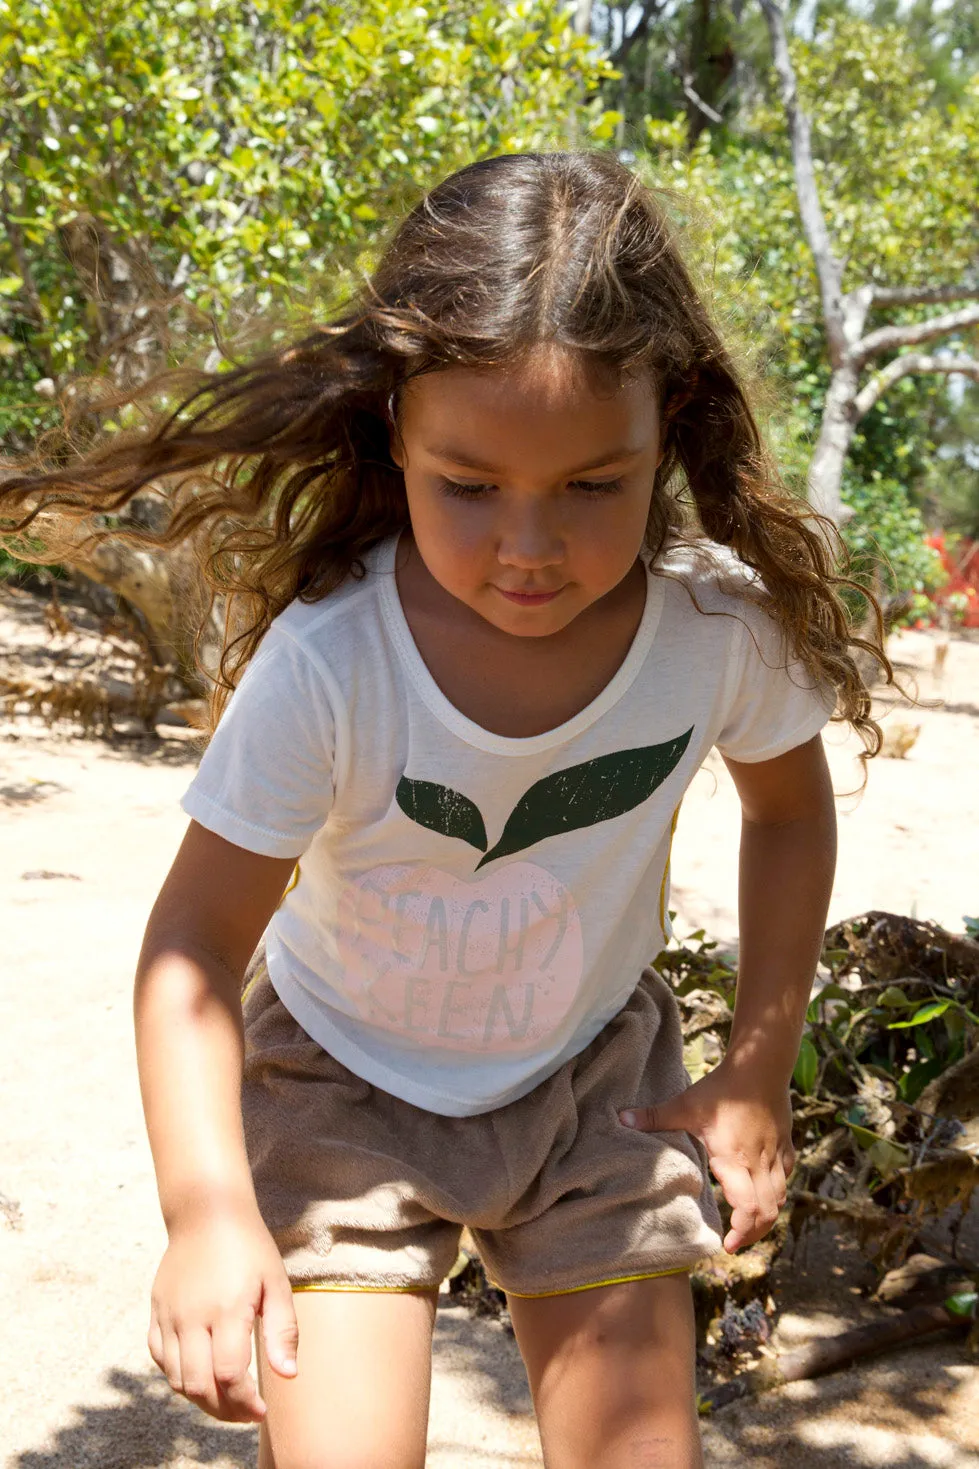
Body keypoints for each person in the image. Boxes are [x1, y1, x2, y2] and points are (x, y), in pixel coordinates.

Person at [1, 150, 888, 1468]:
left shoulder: (716, 635)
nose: (528, 545)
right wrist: (207, 1210)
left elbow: (788, 815)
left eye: (594, 484)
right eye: (465, 486)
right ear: (390, 435)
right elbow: (193, 942)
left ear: (672, 428)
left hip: (595, 1090)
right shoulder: (335, 658)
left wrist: (754, 1066)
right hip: (338, 1095)